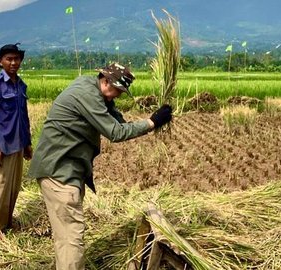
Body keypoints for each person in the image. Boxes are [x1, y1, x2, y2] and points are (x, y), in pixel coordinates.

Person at [28, 62, 173, 269]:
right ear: (105, 81)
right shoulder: (87, 94)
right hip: (59, 173)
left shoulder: (93, 87)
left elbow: (117, 121)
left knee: (66, 236)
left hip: (67, 170)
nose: (119, 96)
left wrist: (133, 118)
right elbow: (115, 132)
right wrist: (152, 122)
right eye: (118, 90)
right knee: (71, 238)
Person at [0, 43, 32, 241]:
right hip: (2, 146)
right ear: (0, 62)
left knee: (13, 186)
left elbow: (24, 115)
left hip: (18, 143)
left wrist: (27, 143)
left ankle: (7, 221)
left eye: (16, 59)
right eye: (9, 59)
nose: (13, 62)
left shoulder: (20, 85)